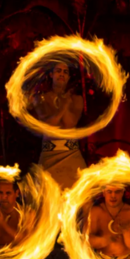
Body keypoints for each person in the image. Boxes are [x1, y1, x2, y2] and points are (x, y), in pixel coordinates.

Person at [32, 61, 87, 190]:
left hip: (71, 153)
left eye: (65, 72)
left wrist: (66, 101)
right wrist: (65, 105)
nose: (62, 74)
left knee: (80, 196)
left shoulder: (77, 99)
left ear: (68, 78)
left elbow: (70, 124)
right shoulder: (40, 99)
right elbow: (50, 125)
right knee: (46, 198)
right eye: (58, 71)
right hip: (49, 154)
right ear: (51, 74)